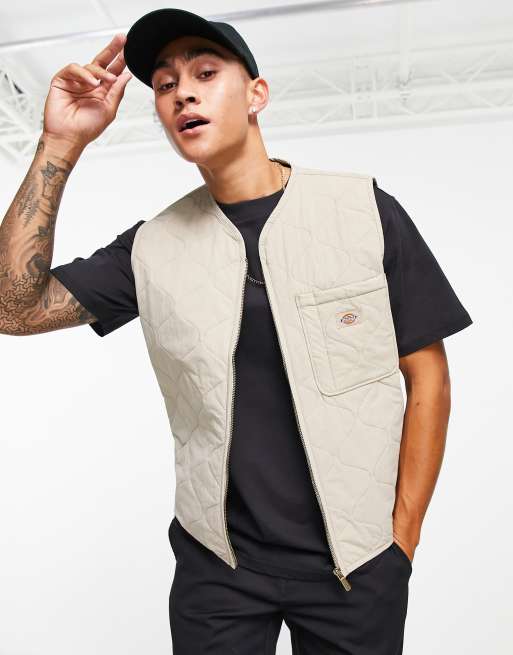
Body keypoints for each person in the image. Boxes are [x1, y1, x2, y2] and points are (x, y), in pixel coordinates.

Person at [0, 8, 473, 654]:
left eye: (205, 73)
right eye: (165, 85)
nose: (182, 93)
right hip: (217, 569)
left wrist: (402, 540)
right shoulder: (150, 248)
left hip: (357, 563)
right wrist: (60, 145)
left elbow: (427, 376)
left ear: (257, 94)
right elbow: (13, 309)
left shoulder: (362, 210)